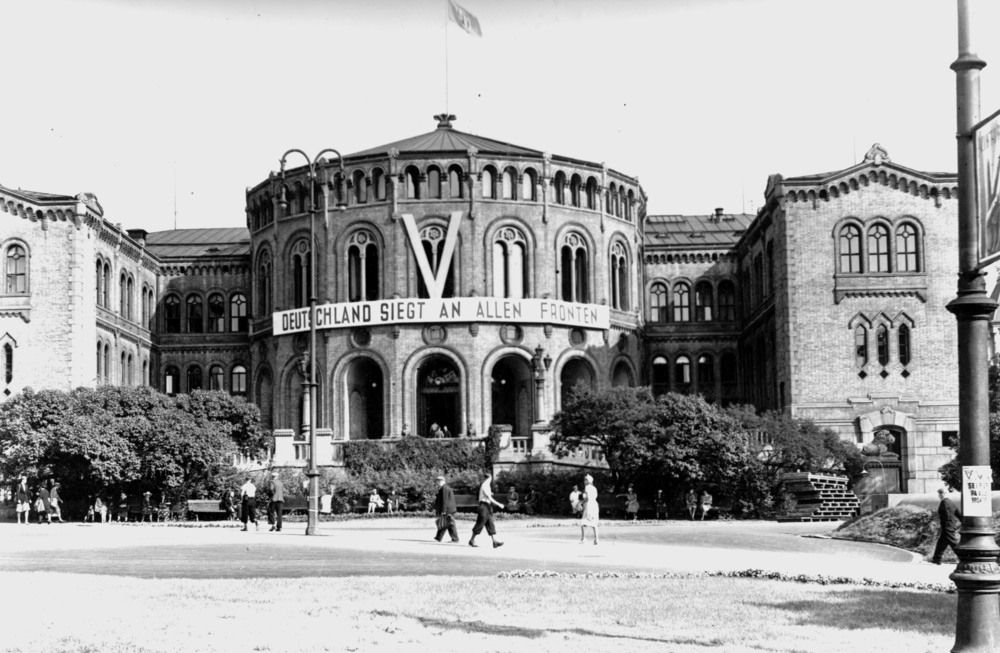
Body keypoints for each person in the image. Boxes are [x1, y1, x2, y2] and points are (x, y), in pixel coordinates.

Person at [469, 471, 505, 548]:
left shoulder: (486, 485)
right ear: (489, 478)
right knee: (480, 523)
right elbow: (489, 497)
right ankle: (472, 540)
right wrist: (499, 504)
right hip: (484, 506)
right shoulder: (485, 485)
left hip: (487, 506)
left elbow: (487, 495)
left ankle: (495, 541)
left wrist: (490, 493)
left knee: (490, 523)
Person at [932, 487, 962, 565]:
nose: (940, 495)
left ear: (945, 494)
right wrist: (962, 522)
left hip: (947, 526)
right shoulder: (951, 502)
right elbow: (958, 513)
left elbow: (947, 515)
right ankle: (936, 559)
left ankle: (963, 558)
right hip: (950, 525)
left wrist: (945, 525)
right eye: (939, 493)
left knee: (953, 543)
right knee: (941, 543)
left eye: (941, 493)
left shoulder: (944, 502)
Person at [433, 474, 460, 543]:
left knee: (449, 524)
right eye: (437, 481)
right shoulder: (444, 488)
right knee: (445, 523)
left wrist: (444, 510)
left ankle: (455, 539)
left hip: (448, 510)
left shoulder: (444, 488)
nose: (437, 482)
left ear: (442, 481)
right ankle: (439, 537)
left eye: (438, 481)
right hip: (449, 509)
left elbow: (445, 500)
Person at [579, 474, 600, 545]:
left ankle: (583, 538)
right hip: (595, 505)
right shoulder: (594, 488)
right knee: (594, 522)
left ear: (589, 481)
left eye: (586, 480)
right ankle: (596, 539)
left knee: (583, 522)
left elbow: (587, 498)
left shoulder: (587, 487)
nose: (584, 481)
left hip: (589, 505)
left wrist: (580, 503)